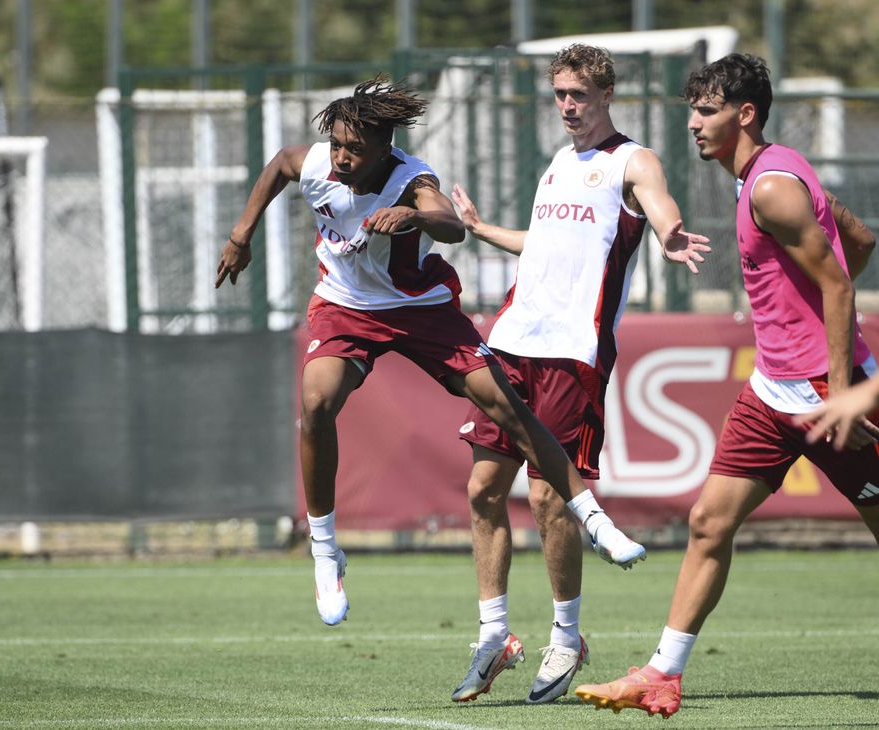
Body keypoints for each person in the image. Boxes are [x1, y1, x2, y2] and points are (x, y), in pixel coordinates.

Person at [215, 75, 645, 629]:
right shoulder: (319, 162)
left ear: (385, 148)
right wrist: (240, 234)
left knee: (506, 406)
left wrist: (416, 217)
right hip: (345, 307)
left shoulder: (410, 178)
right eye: (338, 145)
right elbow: (279, 164)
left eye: (356, 149)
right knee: (317, 405)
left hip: (419, 309)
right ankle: (326, 551)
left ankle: (591, 515)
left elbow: (449, 225)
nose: (342, 158)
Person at [574, 53, 879, 718]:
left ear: (744, 114)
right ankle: (662, 674)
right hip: (771, 394)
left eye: (707, 110)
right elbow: (857, 238)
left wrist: (842, 390)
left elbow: (837, 282)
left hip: (828, 394)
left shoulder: (770, 187)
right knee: (709, 522)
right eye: (692, 110)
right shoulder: (768, 176)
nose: (693, 124)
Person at [446, 43, 711, 705]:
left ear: (604, 96)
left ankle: (567, 636)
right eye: (560, 94)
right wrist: (480, 229)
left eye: (578, 96)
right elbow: (544, 244)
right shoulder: (560, 163)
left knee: (546, 498)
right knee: (482, 490)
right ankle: (496, 635)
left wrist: (670, 232)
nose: (567, 106)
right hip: (512, 340)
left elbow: (659, 205)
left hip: (573, 352)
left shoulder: (632, 159)